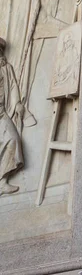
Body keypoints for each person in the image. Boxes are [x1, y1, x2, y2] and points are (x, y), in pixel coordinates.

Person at [0, 38, 25, 197]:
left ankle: (2, 182)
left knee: (13, 139)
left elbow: (14, 86)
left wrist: (17, 104)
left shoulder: (6, 68)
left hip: (1, 112)